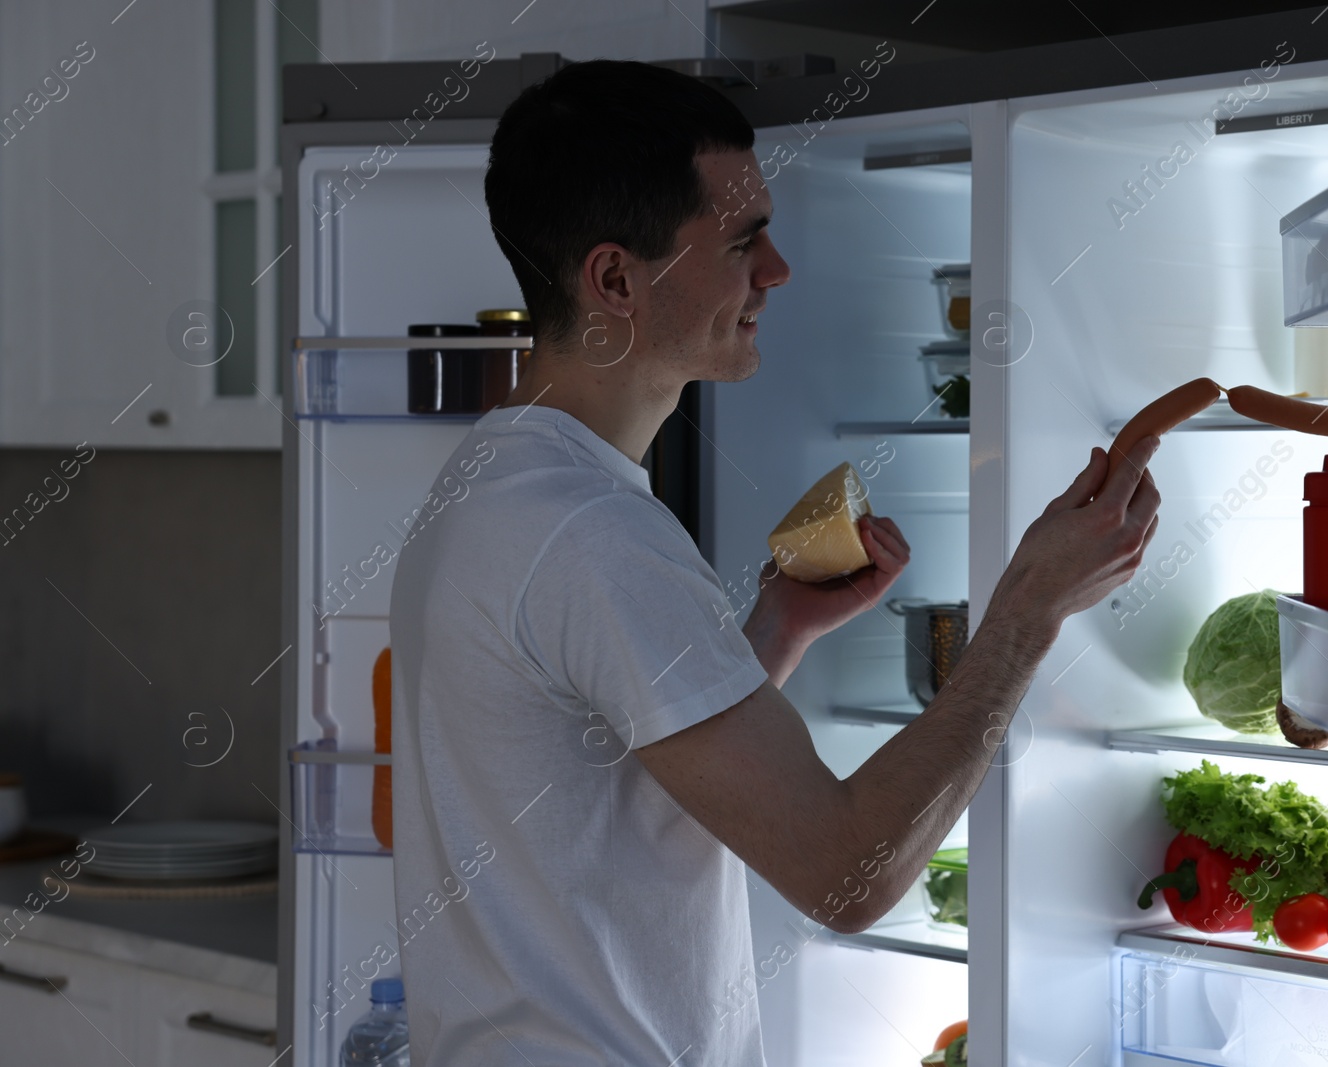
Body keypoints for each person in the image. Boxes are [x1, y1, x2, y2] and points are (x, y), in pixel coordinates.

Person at [388, 58, 1160, 1067]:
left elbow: (614, 779)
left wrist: (774, 629)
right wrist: (1025, 613)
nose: (777, 270)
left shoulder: (494, 479)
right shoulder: (592, 532)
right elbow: (847, 876)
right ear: (616, 279)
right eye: (744, 240)